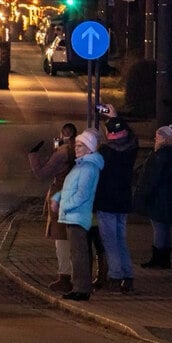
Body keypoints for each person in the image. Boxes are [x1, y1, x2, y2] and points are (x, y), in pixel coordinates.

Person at [51, 128, 103, 301]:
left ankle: (81, 288)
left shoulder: (88, 168)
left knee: (79, 253)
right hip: (72, 214)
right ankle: (79, 286)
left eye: (81, 145)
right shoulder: (80, 165)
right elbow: (68, 188)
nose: (77, 148)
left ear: (90, 148)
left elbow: (82, 194)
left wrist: (66, 205)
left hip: (78, 215)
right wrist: (57, 198)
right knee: (77, 252)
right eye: (77, 145)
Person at [28, 122, 77, 293]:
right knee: (74, 238)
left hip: (61, 196)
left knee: (61, 238)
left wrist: (33, 155)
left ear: (63, 134)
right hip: (76, 196)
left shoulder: (62, 153)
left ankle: (65, 276)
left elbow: (42, 173)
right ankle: (77, 275)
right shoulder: (78, 149)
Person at [94, 110, 139, 293]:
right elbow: (131, 134)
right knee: (121, 239)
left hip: (106, 200)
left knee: (109, 241)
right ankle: (127, 276)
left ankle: (115, 276)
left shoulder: (105, 152)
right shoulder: (131, 148)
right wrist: (115, 118)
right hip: (123, 200)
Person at [135, 125, 172, 269]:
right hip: (166, 194)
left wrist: (145, 192)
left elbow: (154, 176)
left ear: (164, 138)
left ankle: (159, 258)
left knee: (159, 226)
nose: (155, 138)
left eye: (157, 136)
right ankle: (163, 258)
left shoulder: (162, 154)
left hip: (159, 196)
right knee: (163, 227)